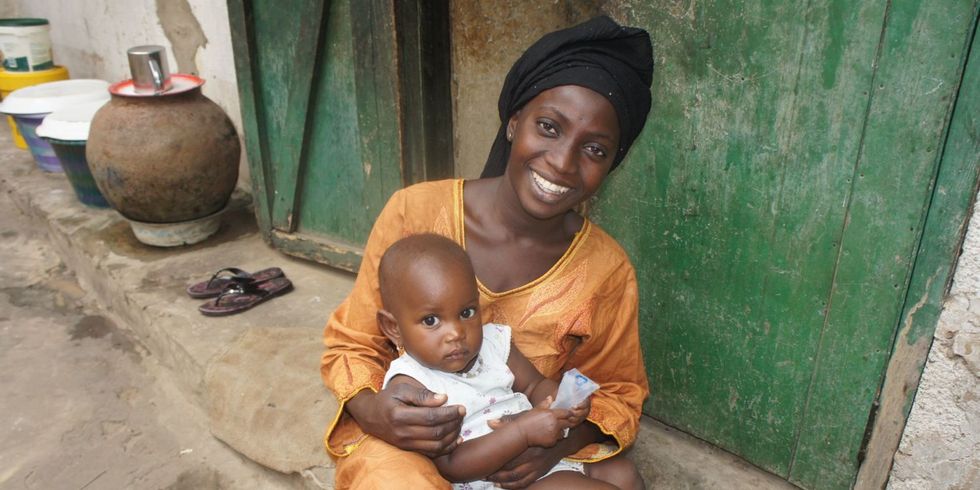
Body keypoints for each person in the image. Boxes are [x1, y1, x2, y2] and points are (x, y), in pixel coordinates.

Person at [321, 15, 653, 489]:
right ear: (514, 121)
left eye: (595, 150)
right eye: (548, 127)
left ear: (612, 165)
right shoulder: (414, 212)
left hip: (529, 449)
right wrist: (375, 411)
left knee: (619, 478)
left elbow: (618, 390)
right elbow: (353, 343)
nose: (562, 163)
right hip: (412, 445)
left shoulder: (606, 270)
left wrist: (552, 444)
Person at [377, 233, 621, 489]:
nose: (456, 333)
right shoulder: (413, 385)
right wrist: (521, 433)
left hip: (541, 456)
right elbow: (450, 465)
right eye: (431, 321)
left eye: (466, 313)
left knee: (621, 473)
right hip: (498, 480)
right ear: (393, 328)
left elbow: (534, 387)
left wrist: (566, 401)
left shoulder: (493, 343)